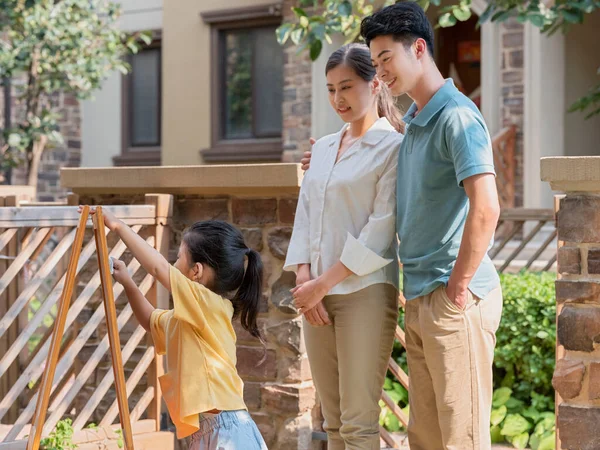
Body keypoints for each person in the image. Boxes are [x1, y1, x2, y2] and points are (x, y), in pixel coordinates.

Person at [302, 3, 503, 449]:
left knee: (461, 440)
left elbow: (486, 207)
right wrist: (326, 161)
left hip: (454, 297)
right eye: (374, 63)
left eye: (386, 59)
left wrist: (458, 288)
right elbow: (372, 157)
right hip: (420, 295)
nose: (381, 73)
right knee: (426, 439)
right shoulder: (413, 124)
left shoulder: (457, 116)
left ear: (418, 48)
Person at [284, 43, 404, 450]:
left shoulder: (393, 148)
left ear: (374, 84)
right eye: (331, 89)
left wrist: (323, 284)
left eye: (347, 87)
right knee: (332, 422)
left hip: (364, 292)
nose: (338, 99)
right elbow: (305, 214)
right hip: (315, 294)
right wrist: (305, 280)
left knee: (358, 425)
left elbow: (381, 229)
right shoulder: (321, 149)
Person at [81, 208, 268, 450]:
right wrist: (128, 282)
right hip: (212, 430)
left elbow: (158, 268)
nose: (173, 264)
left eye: (179, 258)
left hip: (226, 429)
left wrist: (117, 226)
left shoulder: (208, 304)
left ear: (196, 271)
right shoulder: (190, 319)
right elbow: (150, 321)